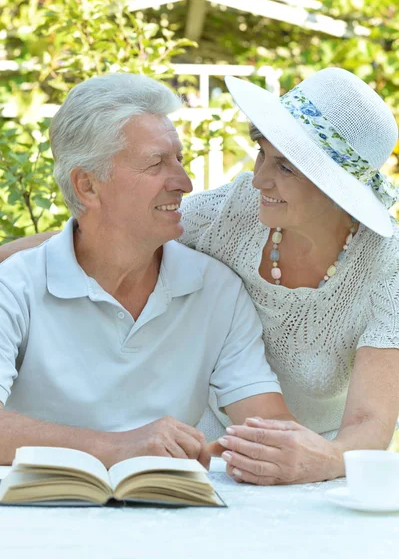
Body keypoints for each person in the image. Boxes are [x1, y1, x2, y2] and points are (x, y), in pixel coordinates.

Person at [2, 68, 399, 486]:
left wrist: (322, 458)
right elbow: (108, 228)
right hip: (183, 458)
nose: (259, 178)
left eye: (286, 167)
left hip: (319, 457)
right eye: (261, 153)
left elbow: (367, 423)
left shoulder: (382, 267)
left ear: (336, 190)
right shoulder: (232, 214)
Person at [0, 73, 294, 470]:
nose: (185, 183)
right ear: (87, 186)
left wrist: (246, 449)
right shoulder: (15, 286)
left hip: (169, 518)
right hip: (36, 522)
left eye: (180, 160)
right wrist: (116, 448)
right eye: (157, 163)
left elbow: (266, 423)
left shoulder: (216, 289)